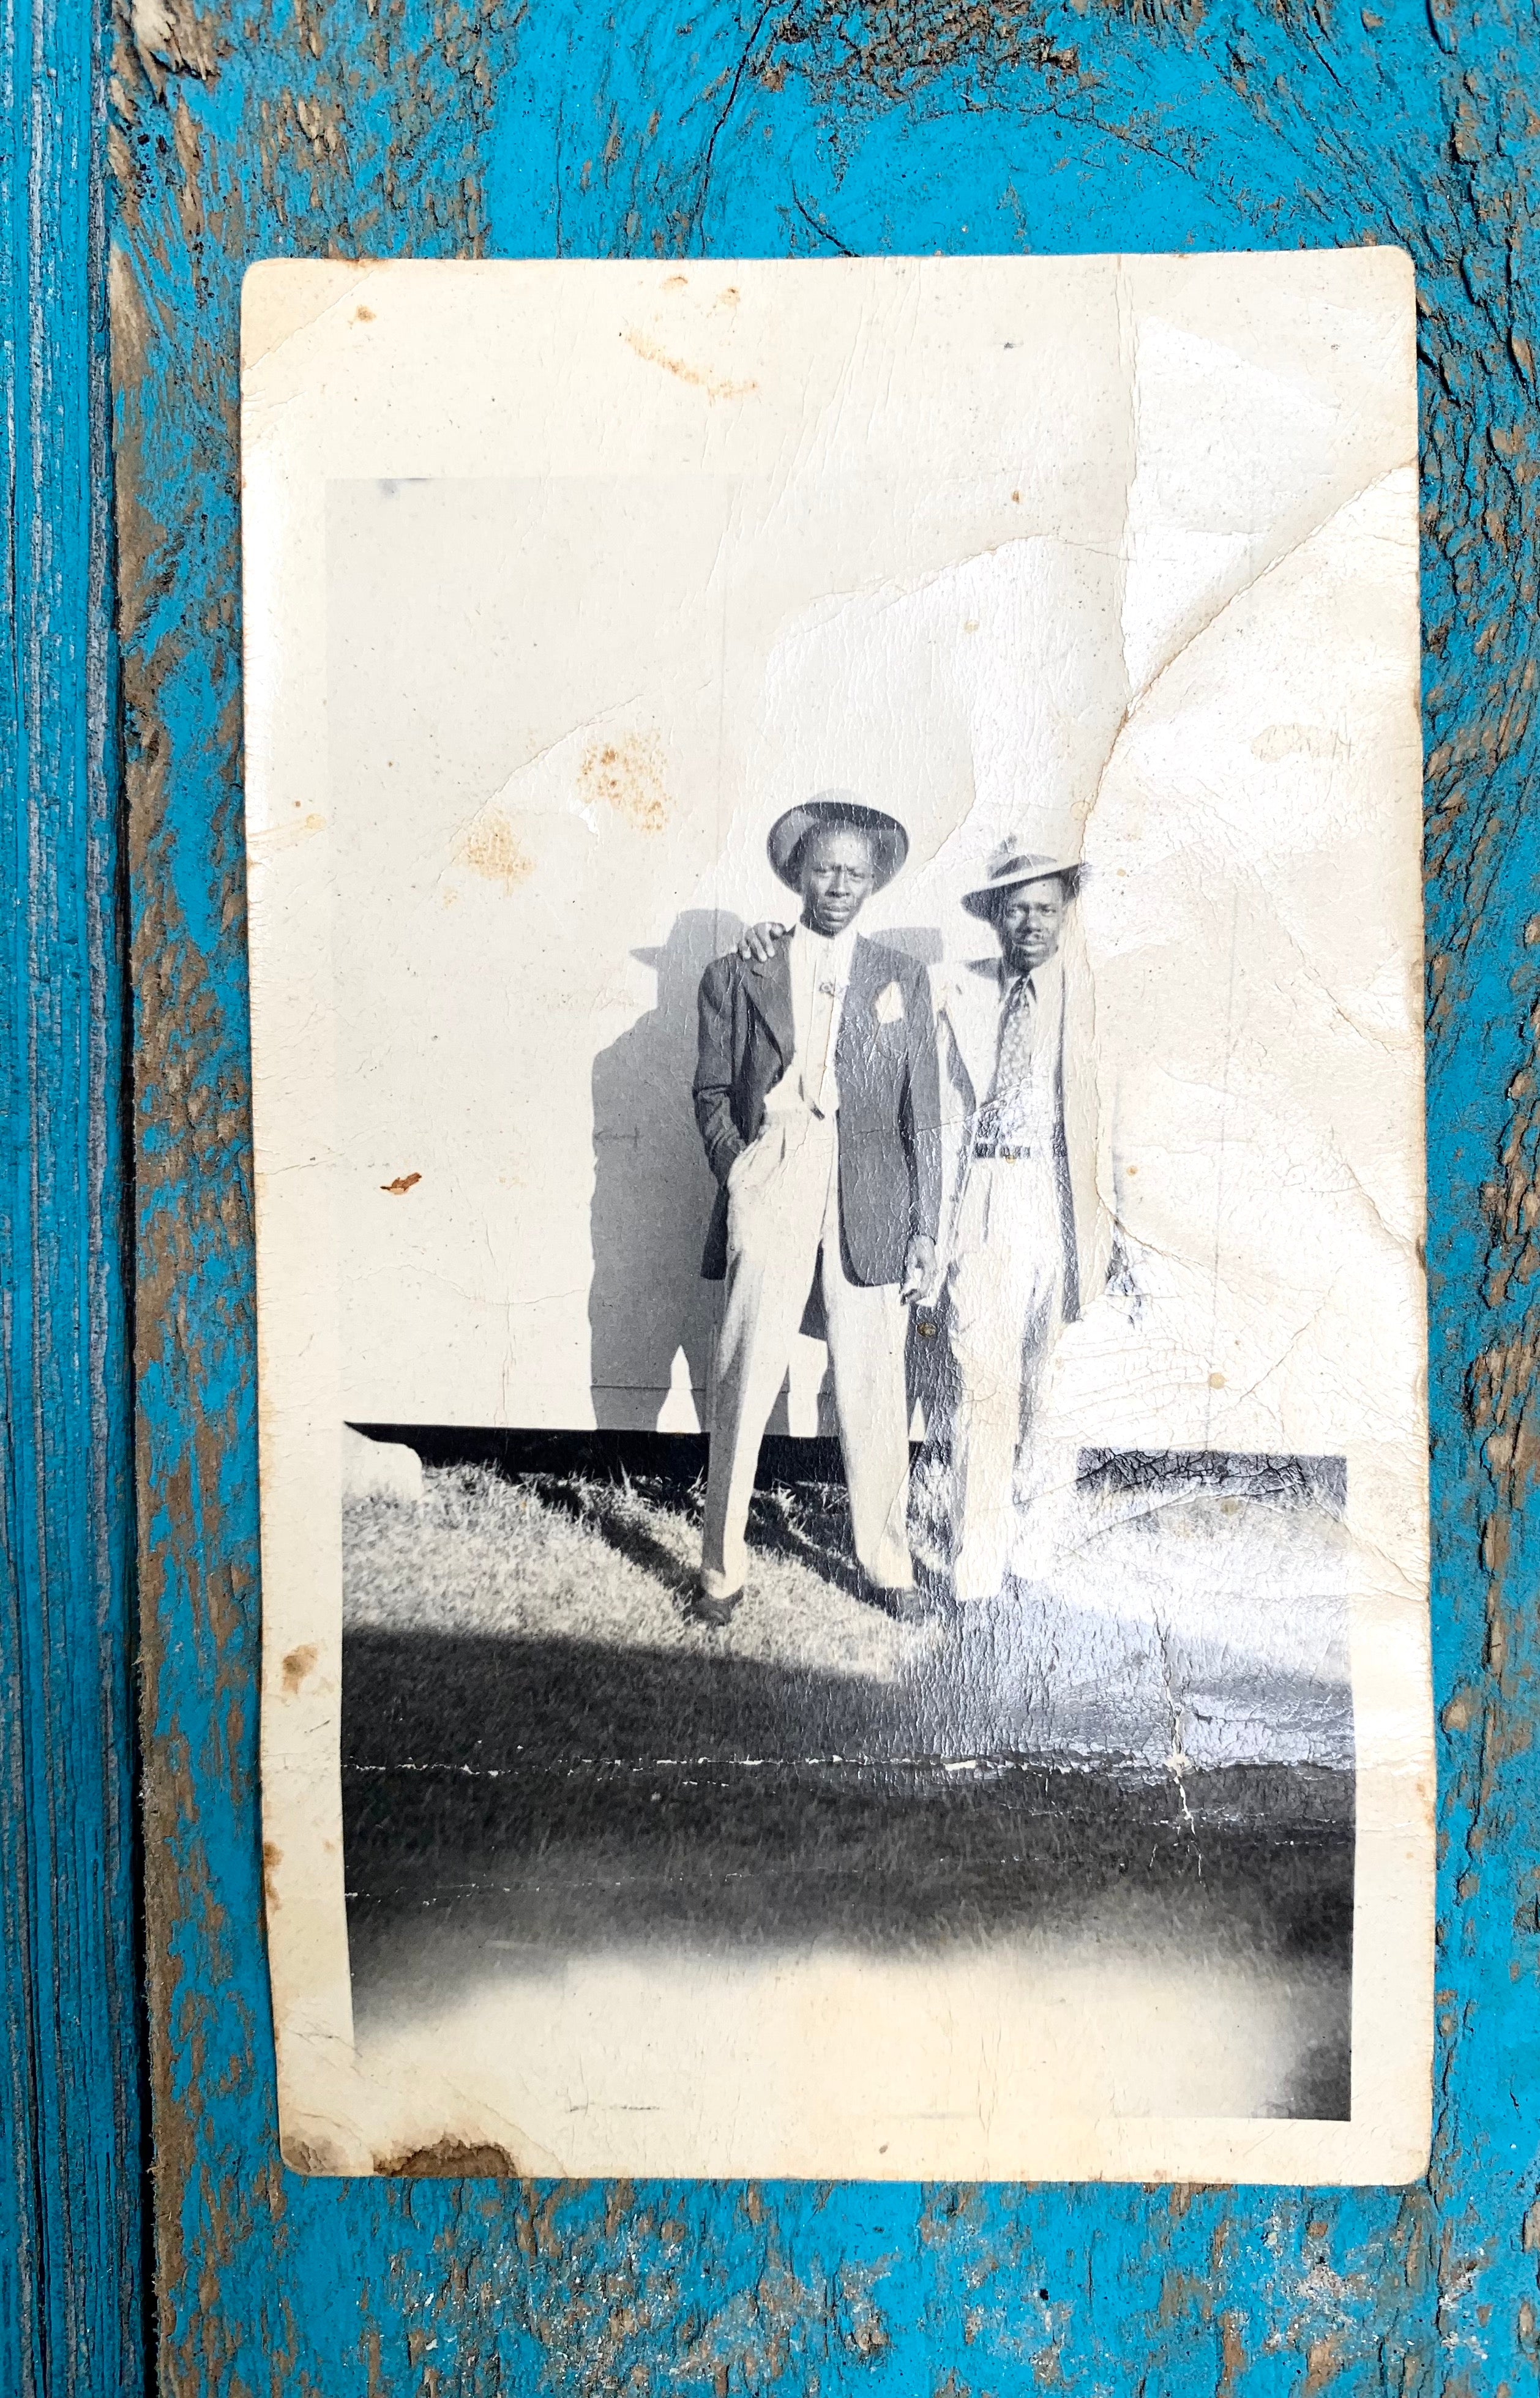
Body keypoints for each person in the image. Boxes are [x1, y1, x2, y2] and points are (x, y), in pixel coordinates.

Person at [691, 794, 941, 1627]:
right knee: (743, 1372)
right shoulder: (739, 971)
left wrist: (926, 1227)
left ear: (874, 883)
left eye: (855, 872)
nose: (839, 884)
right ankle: (720, 1571)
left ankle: (887, 1562)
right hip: (779, 1168)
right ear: (800, 871)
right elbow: (712, 1092)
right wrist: (743, 1169)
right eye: (825, 867)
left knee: (873, 1380)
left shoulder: (900, 976)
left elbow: (923, 1116)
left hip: (870, 1186)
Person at [929, 843, 1109, 1603]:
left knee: (1052, 1389)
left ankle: (1033, 1557)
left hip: (1060, 1200)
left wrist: (1117, 1227)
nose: (1030, 922)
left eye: (1044, 906)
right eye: (1016, 909)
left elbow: (1118, 1116)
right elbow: (931, 1111)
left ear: (1064, 909)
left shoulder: (1093, 995)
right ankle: (976, 1565)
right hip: (985, 1194)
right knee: (982, 1380)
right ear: (995, 918)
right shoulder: (959, 990)